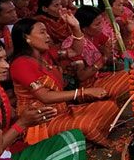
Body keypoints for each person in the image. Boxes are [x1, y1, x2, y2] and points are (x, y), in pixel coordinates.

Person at [9, 18, 120, 148]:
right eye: (42, 32)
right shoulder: (21, 64)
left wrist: (76, 27)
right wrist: (83, 92)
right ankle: (90, 140)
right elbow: (44, 96)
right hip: (41, 123)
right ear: (26, 37)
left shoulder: (46, 55)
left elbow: (75, 51)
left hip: (63, 111)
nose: (48, 36)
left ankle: (79, 139)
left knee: (110, 106)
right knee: (87, 125)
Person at [61, 6, 130, 101]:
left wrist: (128, 33)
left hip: (99, 76)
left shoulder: (96, 35)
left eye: (101, 22)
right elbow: (82, 76)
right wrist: (104, 57)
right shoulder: (72, 45)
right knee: (130, 78)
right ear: (84, 29)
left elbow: (116, 50)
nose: (101, 26)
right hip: (85, 87)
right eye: (97, 24)